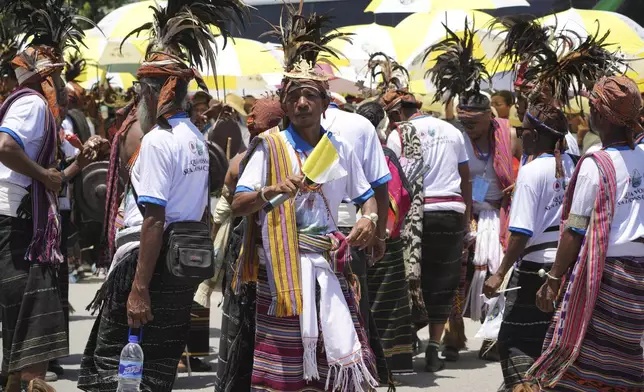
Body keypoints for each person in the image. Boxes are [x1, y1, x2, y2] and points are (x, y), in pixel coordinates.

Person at [77, 1, 247, 391]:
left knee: (111, 370)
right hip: (180, 265)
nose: (138, 99)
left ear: (157, 93)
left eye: (141, 91)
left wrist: (138, 289)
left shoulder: (157, 141)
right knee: (157, 370)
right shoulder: (196, 140)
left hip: (147, 264)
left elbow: (154, 220)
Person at [231, 8, 379, 388]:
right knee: (283, 371)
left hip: (328, 265)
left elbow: (368, 197)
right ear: (284, 102)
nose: (301, 103)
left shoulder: (339, 146)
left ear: (325, 103)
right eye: (293, 95)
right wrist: (271, 191)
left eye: (309, 95)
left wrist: (369, 219)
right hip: (280, 270)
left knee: (335, 362)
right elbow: (239, 203)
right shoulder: (270, 147)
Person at [0, 0, 106, 390]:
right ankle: (28, 385)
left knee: (29, 315)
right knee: (37, 313)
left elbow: (57, 180)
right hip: (19, 222)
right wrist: (44, 173)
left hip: (29, 222)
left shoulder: (44, 112)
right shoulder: (31, 104)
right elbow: (5, 147)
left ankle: (18, 383)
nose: (61, 85)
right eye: (57, 77)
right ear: (44, 79)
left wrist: (81, 161)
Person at [528, 75, 644, 392]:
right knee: (625, 359)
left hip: (606, 277)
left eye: (592, 105)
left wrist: (553, 279)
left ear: (602, 116)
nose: (588, 111)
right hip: (638, 281)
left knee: (573, 352)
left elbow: (575, 229)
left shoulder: (597, 164)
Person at [484, 102, 575, 391]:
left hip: (535, 271)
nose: (521, 135)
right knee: (553, 340)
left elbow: (521, 233)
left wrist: (499, 273)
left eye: (523, 130)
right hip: (568, 266)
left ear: (534, 135)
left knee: (514, 341)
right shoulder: (576, 164)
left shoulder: (532, 171)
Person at [383, 83, 472, 371]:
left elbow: (396, 185)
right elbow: (465, 177)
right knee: (443, 281)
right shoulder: (452, 130)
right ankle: (434, 345)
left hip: (417, 216)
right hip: (451, 210)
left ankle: (410, 337)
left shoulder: (398, 135)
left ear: (398, 112)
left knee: (412, 278)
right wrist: (467, 216)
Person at [321, 73, 391, 383]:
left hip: (337, 227)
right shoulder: (360, 126)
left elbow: (374, 188)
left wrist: (373, 225)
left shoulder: (296, 128)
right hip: (350, 227)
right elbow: (379, 186)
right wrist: (378, 232)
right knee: (354, 303)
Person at [213, 96, 284, 392]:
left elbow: (223, 210)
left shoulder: (242, 160)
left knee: (242, 329)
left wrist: (213, 237)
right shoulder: (284, 156)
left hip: (251, 258)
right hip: (266, 258)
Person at [355, 100, 414, 375]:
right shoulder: (385, 154)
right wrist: (387, 229)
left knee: (360, 299)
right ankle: (390, 363)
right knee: (386, 303)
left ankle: (363, 360)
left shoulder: (347, 148)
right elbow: (401, 195)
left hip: (355, 234)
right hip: (383, 236)